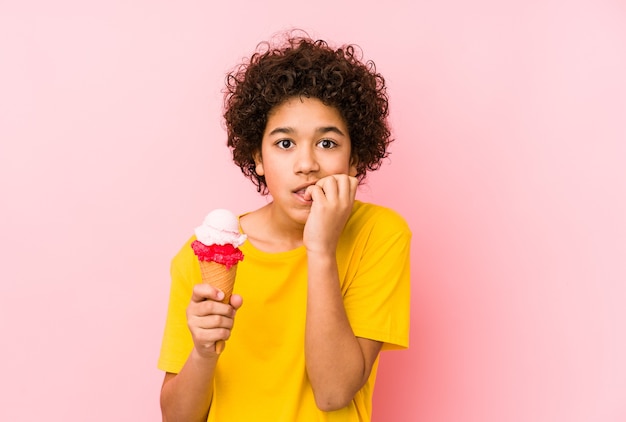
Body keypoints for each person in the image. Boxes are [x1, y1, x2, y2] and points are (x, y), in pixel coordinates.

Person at [158, 30, 412, 422]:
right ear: (256, 157)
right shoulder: (206, 251)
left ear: (355, 159)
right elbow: (177, 418)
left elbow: (332, 392)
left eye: (327, 143)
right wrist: (203, 353)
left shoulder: (378, 234)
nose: (306, 164)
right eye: (284, 143)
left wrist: (322, 250)